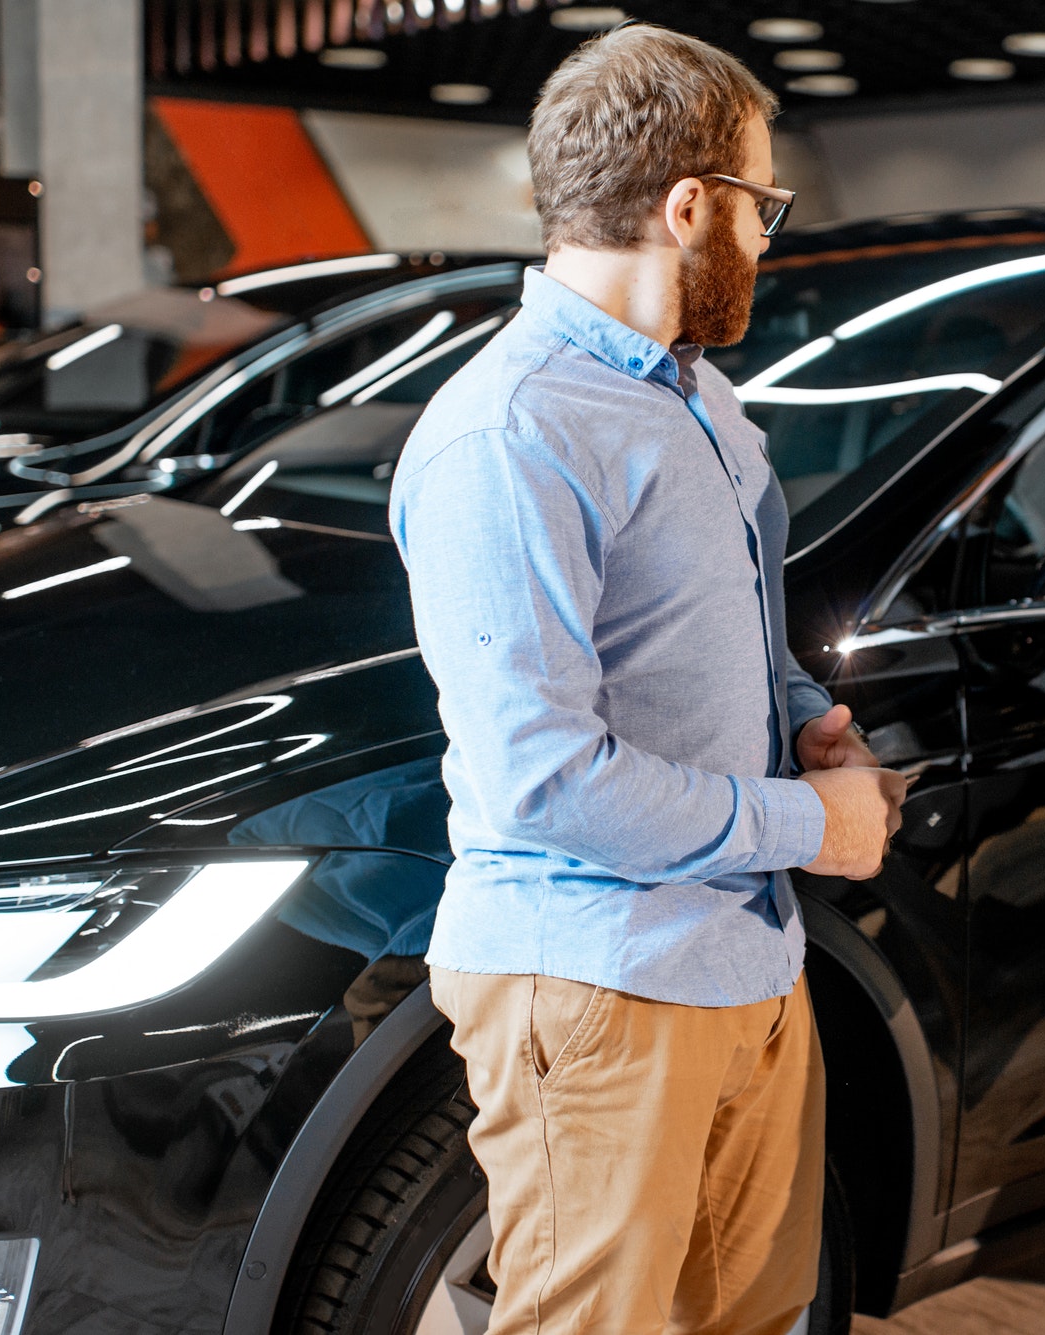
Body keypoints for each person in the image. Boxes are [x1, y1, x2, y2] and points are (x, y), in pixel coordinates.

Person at [387, 24, 906, 1335]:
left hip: (742, 958)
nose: (768, 238)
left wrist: (807, 723)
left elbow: (741, 623)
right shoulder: (509, 434)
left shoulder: (703, 403)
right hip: (596, 980)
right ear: (691, 208)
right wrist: (818, 826)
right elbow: (543, 782)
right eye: (762, 204)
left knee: (758, 1314)